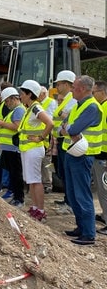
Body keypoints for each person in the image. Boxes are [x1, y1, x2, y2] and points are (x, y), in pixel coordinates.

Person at [61, 75, 102, 245]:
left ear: (84, 89)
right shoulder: (79, 105)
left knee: (81, 194)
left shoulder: (91, 107)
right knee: (72, 193)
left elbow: (73, 128)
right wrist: (68, 129)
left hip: (82, 156)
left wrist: (69, 129)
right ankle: (81, 227)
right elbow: (64, 126)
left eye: (74, 88)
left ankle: (89, 233)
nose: (71, 90)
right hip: (72, 153)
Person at [19, 80, 54, 221]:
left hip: (33, 149)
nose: (20, 96)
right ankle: (35, 207)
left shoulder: (35, 108)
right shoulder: (30, 108)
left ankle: (40, 210)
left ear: (29, 94)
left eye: (22, 94)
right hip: (28, 149)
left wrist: (41, 138)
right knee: (31, 181)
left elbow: (50, 123)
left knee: (35, 180)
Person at [0, 87, 26, 207]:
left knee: (16, 174)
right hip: (8, 148)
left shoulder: (18, 110)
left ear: (13, 99)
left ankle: (19, 198)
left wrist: (1, 124)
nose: (6, 104)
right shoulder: (14, 111)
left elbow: (16, 126)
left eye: (7, 101)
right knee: (13, 174)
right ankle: (16, 197)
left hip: (13, 148)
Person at [52, 70, 77, 208]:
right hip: (60, 139)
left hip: (66, 141)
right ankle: (67, 199)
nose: (57, 87)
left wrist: (61, 113)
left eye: (59, 84)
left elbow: (68, 117)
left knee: (67, 174)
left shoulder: (72, 99)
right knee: (63, 172)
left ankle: (70, 202)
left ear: (67, 84)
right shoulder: (65, 98)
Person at [92, 80, 107, 235]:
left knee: (104, 190)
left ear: (102, 92)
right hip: (100, 153)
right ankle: (104, 215)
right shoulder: (101, 107)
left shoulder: (105, 108)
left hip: (105, 156)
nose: (93, 94)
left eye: (94, 92)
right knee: (102, 189)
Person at [38, 86, 57, 193]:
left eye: (38, 94)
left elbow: (49, 118)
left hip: (48, 134)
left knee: (47, 160)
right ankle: (43, 182)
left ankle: (48, 183)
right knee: (42, 159)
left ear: (43, 94)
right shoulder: (39, 103)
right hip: (42, 134)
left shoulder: (51, 102)